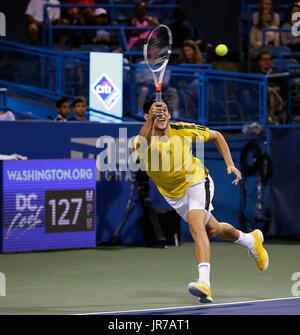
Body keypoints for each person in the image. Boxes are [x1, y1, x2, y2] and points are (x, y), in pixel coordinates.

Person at [134, 94, 269, 303]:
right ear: (146, 116)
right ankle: (251, 240)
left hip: (197, 181)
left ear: (170, 114)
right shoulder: (142, 139)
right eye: (156, 112)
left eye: (165, 111)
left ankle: (204, 283)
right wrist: (153, 118)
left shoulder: (181, 129)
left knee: (196, 225)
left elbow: (217, 136)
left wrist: (230, 164)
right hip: (174, 196)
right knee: (213, 230)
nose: (162, 114)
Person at [168, 40, 203, 119]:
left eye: (189, 50)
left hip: (198, 89)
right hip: (182, 87)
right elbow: (175, 78)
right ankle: (182, 116)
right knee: (179, 91)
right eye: (185, 51)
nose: (187, 53)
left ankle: (195, 117)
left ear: (194, 50)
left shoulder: (200, 63)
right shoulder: (180, 63)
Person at [256, 50, 288, 123]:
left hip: (277, 100)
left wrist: (276, 89)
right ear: (259, 62)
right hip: (260, 100)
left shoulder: (279, 73)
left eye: (269, 59)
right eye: (264, 59)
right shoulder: (256, 76)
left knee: (271, 92)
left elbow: (286, 86)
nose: (267, 62)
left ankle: (272, 117)